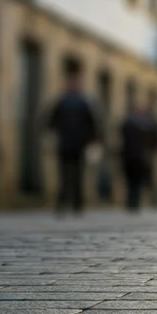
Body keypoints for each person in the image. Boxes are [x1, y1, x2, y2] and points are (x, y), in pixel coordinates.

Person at [46, 65, 100, 216]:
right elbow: (51, 122)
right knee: (65, 175)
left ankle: (76, 203)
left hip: (77, 144)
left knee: (76, 175)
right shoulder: (63, 102)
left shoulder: (82, 103)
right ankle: (64, 203)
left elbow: (92, 124)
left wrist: (93, 141)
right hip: (66, 144)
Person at [119, 99, 157, 212]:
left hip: (135, 156)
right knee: (135, 181)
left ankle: (134, 202)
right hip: (136, 156)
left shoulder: (130, 122)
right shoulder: (146, 124)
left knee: (136, 181)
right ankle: (135, 202)